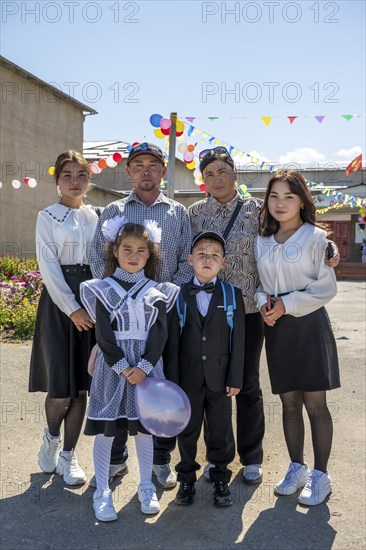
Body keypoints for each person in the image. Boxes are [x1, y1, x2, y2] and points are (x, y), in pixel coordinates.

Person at [189, 147, 340, 485]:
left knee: (247, 384)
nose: (217, 177)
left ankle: (252, 456)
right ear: (203, 179)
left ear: (235, 173)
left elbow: (299, 237)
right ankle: (219, 456)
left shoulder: (258, 211)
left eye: (222, 170)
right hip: (208, 311)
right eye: (209, 172)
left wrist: (328, 248)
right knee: (212, 385)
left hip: (251, 311)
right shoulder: (194, 213)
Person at [89, 142, 192, 489]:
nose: (146, 171)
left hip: (161, 315)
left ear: (164, 171)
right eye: (139, 165)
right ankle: (116, 457)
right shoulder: (114, 210)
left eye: (153, 165)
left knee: (159, 383)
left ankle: (160, 460)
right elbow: (96, 258)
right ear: (129, 171)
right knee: (120, 381)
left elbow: (185, 264)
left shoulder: (178, 213)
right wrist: (119, 298)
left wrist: (158, 298)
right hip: (119, 317)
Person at [80, 219, 179, 521]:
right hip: (114, 368)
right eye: (127, 249)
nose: (133, 255)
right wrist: (124, 367)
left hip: (147, 368)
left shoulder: (157, 291)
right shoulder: (102, 289)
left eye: (141, 250)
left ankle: (146, 485)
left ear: (150, 255)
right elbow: (104, 336)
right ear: (115, 250)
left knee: (144, 429)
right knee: (108, 430)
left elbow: (160, 333)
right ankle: (102, 492)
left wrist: (145, 367)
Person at [256, 169, 340, 506]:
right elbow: (260, 283)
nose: (280, 203)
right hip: (277, 327)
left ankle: (321, 475)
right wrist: (265, 304)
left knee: (314, 404)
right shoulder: (261, 240)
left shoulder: (317, 239)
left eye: (289, 196)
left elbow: (326, 287)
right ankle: (297, 468)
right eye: (274, 196)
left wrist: (288, 304)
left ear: (302, 201)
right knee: (288, 401)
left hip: (308, 323)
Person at [29, 151, 100, 485]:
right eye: (67, 175)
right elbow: (49, 268)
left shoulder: (97, 216)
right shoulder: (47, 216)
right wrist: (72, 307)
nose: (75, 181)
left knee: (82, 387)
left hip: (93, 303)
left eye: (81, 174)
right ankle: (51, 438)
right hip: (61, 306)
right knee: (61, 390)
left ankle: (69, 458)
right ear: (57, 179)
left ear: (89, 179)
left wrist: (97, 306)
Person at [165, 231, 245, 507]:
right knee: (187, 430)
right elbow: (172, 342)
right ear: (190, 260)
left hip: (221, 378)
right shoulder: (178, 296)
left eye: (214, 255)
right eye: (201, 254)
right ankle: (186, 479)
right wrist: (172, 382)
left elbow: (239, 340)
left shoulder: (233, 295)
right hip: (187, 378)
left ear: (223, 262)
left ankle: (221, 476)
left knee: (220, 429)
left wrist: (235, 376)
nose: (207, 259)